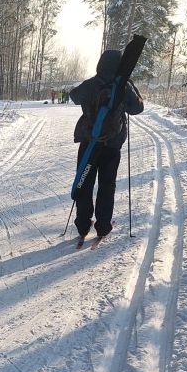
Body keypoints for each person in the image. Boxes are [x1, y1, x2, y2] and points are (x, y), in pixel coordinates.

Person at [69, 48, 143, 242]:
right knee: (107, 185)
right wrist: (130, 86)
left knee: (84, 182)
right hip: (112, 144)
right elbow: (137, 108)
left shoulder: (91, 83)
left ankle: (83, 224)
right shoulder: (123, 86)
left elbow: (74, 96)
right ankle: (103, 226)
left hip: (89, 143)